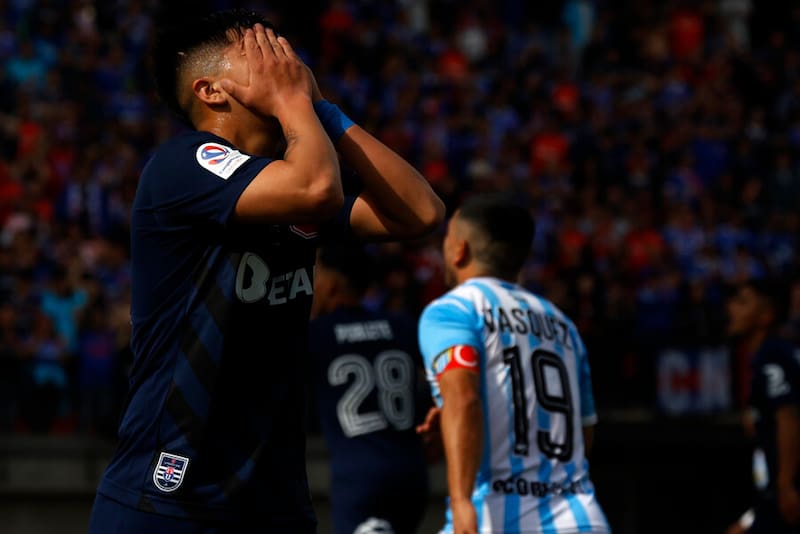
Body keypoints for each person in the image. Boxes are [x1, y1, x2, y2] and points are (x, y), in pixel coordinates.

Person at [88, 8, 444, 534]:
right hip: (168, 499)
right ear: (211, 91)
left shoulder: (292, 183)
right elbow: (318, 189)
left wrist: (322, 109)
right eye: (256, 53)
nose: (284, 61)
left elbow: (420, 212)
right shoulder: (183, 164)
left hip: (274, 500)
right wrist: (295, 102)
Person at [416, 194, 610, 533]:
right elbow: (583, 432)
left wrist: (460, 502)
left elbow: (464, 398)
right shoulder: (561, 323)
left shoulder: (453, 310)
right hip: (580, 519)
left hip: (497, 517)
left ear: (459, 249)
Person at [308, 244, 430, 534]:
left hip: (359, 477)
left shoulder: (315, 335)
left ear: (331, 284)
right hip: (412, 473)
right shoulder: (402, 326)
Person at [725, 279, 800, 534]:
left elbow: (787, 417)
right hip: (769, 497)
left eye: (743, 302)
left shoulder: (773, 355)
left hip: (787, 495)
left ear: (765, 316)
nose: (731, 308)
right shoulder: (761, 359)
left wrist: (786, 484)